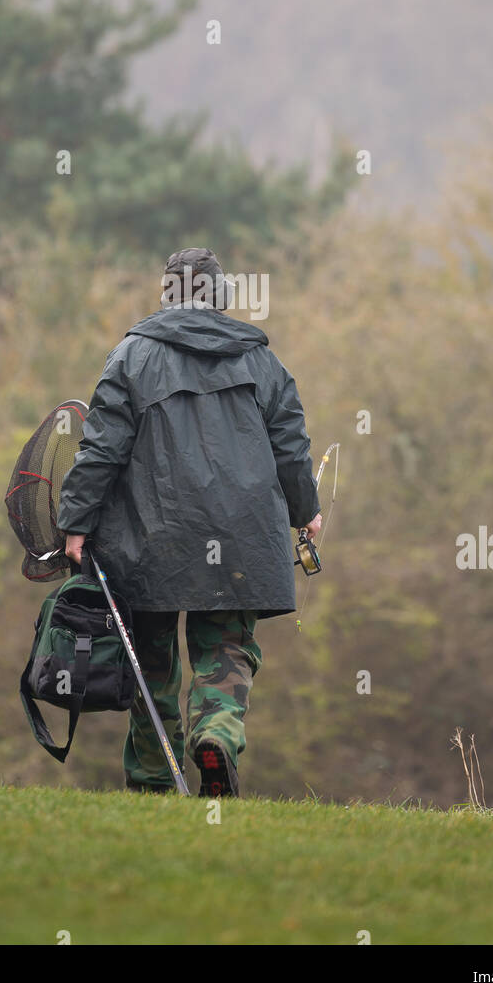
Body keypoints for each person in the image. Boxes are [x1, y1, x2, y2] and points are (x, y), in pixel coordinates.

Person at [57, 246, 321, 797]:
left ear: (166, 295)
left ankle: (154, 780)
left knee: (149, 660)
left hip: (149, 537)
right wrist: (306, 511)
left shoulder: (131, 357)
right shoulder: (262, 362)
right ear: (221, 296)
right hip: (241, 537)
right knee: (225, 647)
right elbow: (291, 447)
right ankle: (217, 734)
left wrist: (76, 522)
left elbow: (100, 448)